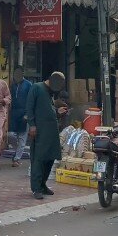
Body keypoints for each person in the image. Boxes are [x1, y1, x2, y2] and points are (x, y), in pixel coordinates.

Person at [26, 71, 66, 200]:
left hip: (52, 131)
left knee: (50, 158)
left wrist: (58, 112)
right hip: (40, 131)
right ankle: (36, 188)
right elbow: (30, 107)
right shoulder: (37, 88)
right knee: (39, 159)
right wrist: (32, 125)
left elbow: (47, 110)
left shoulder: (50, 93)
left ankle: (43, 185)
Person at [8, 68, 32, 167]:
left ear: (22, 73)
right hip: (13, 114)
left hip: (24, 114)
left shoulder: (28, 85)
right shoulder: (12, 85)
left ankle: (17, 159)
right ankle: (16, 152)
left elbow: (31, 100)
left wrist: (28, 114)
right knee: (10, 135)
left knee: (22, 138)